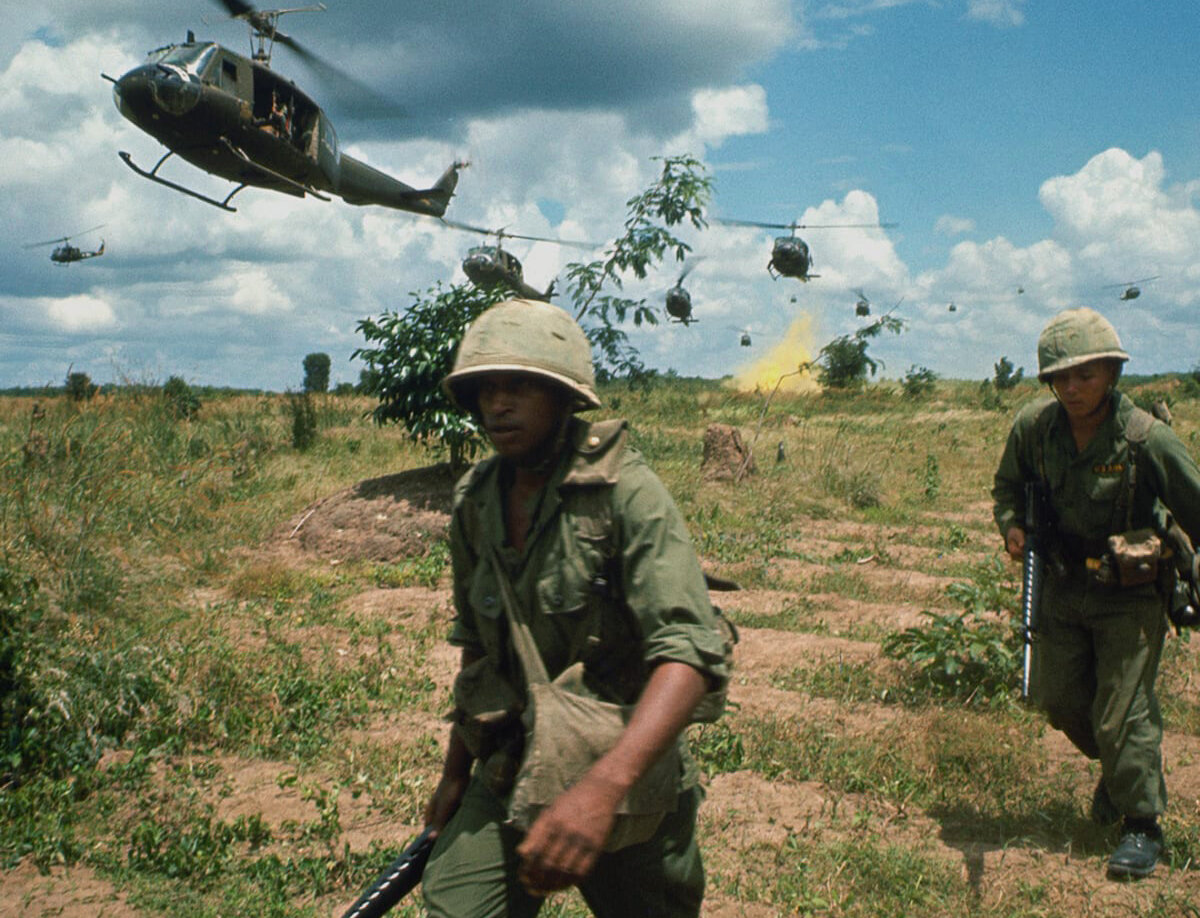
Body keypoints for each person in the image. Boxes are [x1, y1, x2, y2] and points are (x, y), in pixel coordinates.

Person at [421, 298, 730, 917]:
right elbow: (479, 649)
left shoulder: (627, 494)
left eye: (519, 388)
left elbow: (690, 655)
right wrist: (456, 774)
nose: (497, 405)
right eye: (485, 389)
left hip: (622, 767)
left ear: (565, 399)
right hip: (511, 759)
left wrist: (601, 791)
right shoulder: (475, 500)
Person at [992, 306, 1200, 880]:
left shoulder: (1146, 439)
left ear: (1111, 372)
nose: (1072, 387)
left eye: (1085, 374)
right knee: (1057, 699)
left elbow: (1195, 506)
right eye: (1060, 377)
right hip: (1063, 586)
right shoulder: (1034, 429)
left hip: (1129, 594)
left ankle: (1142, 824)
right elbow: (1007, 489)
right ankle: (1121, 768)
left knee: (1121, 712)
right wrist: (1011, 525)